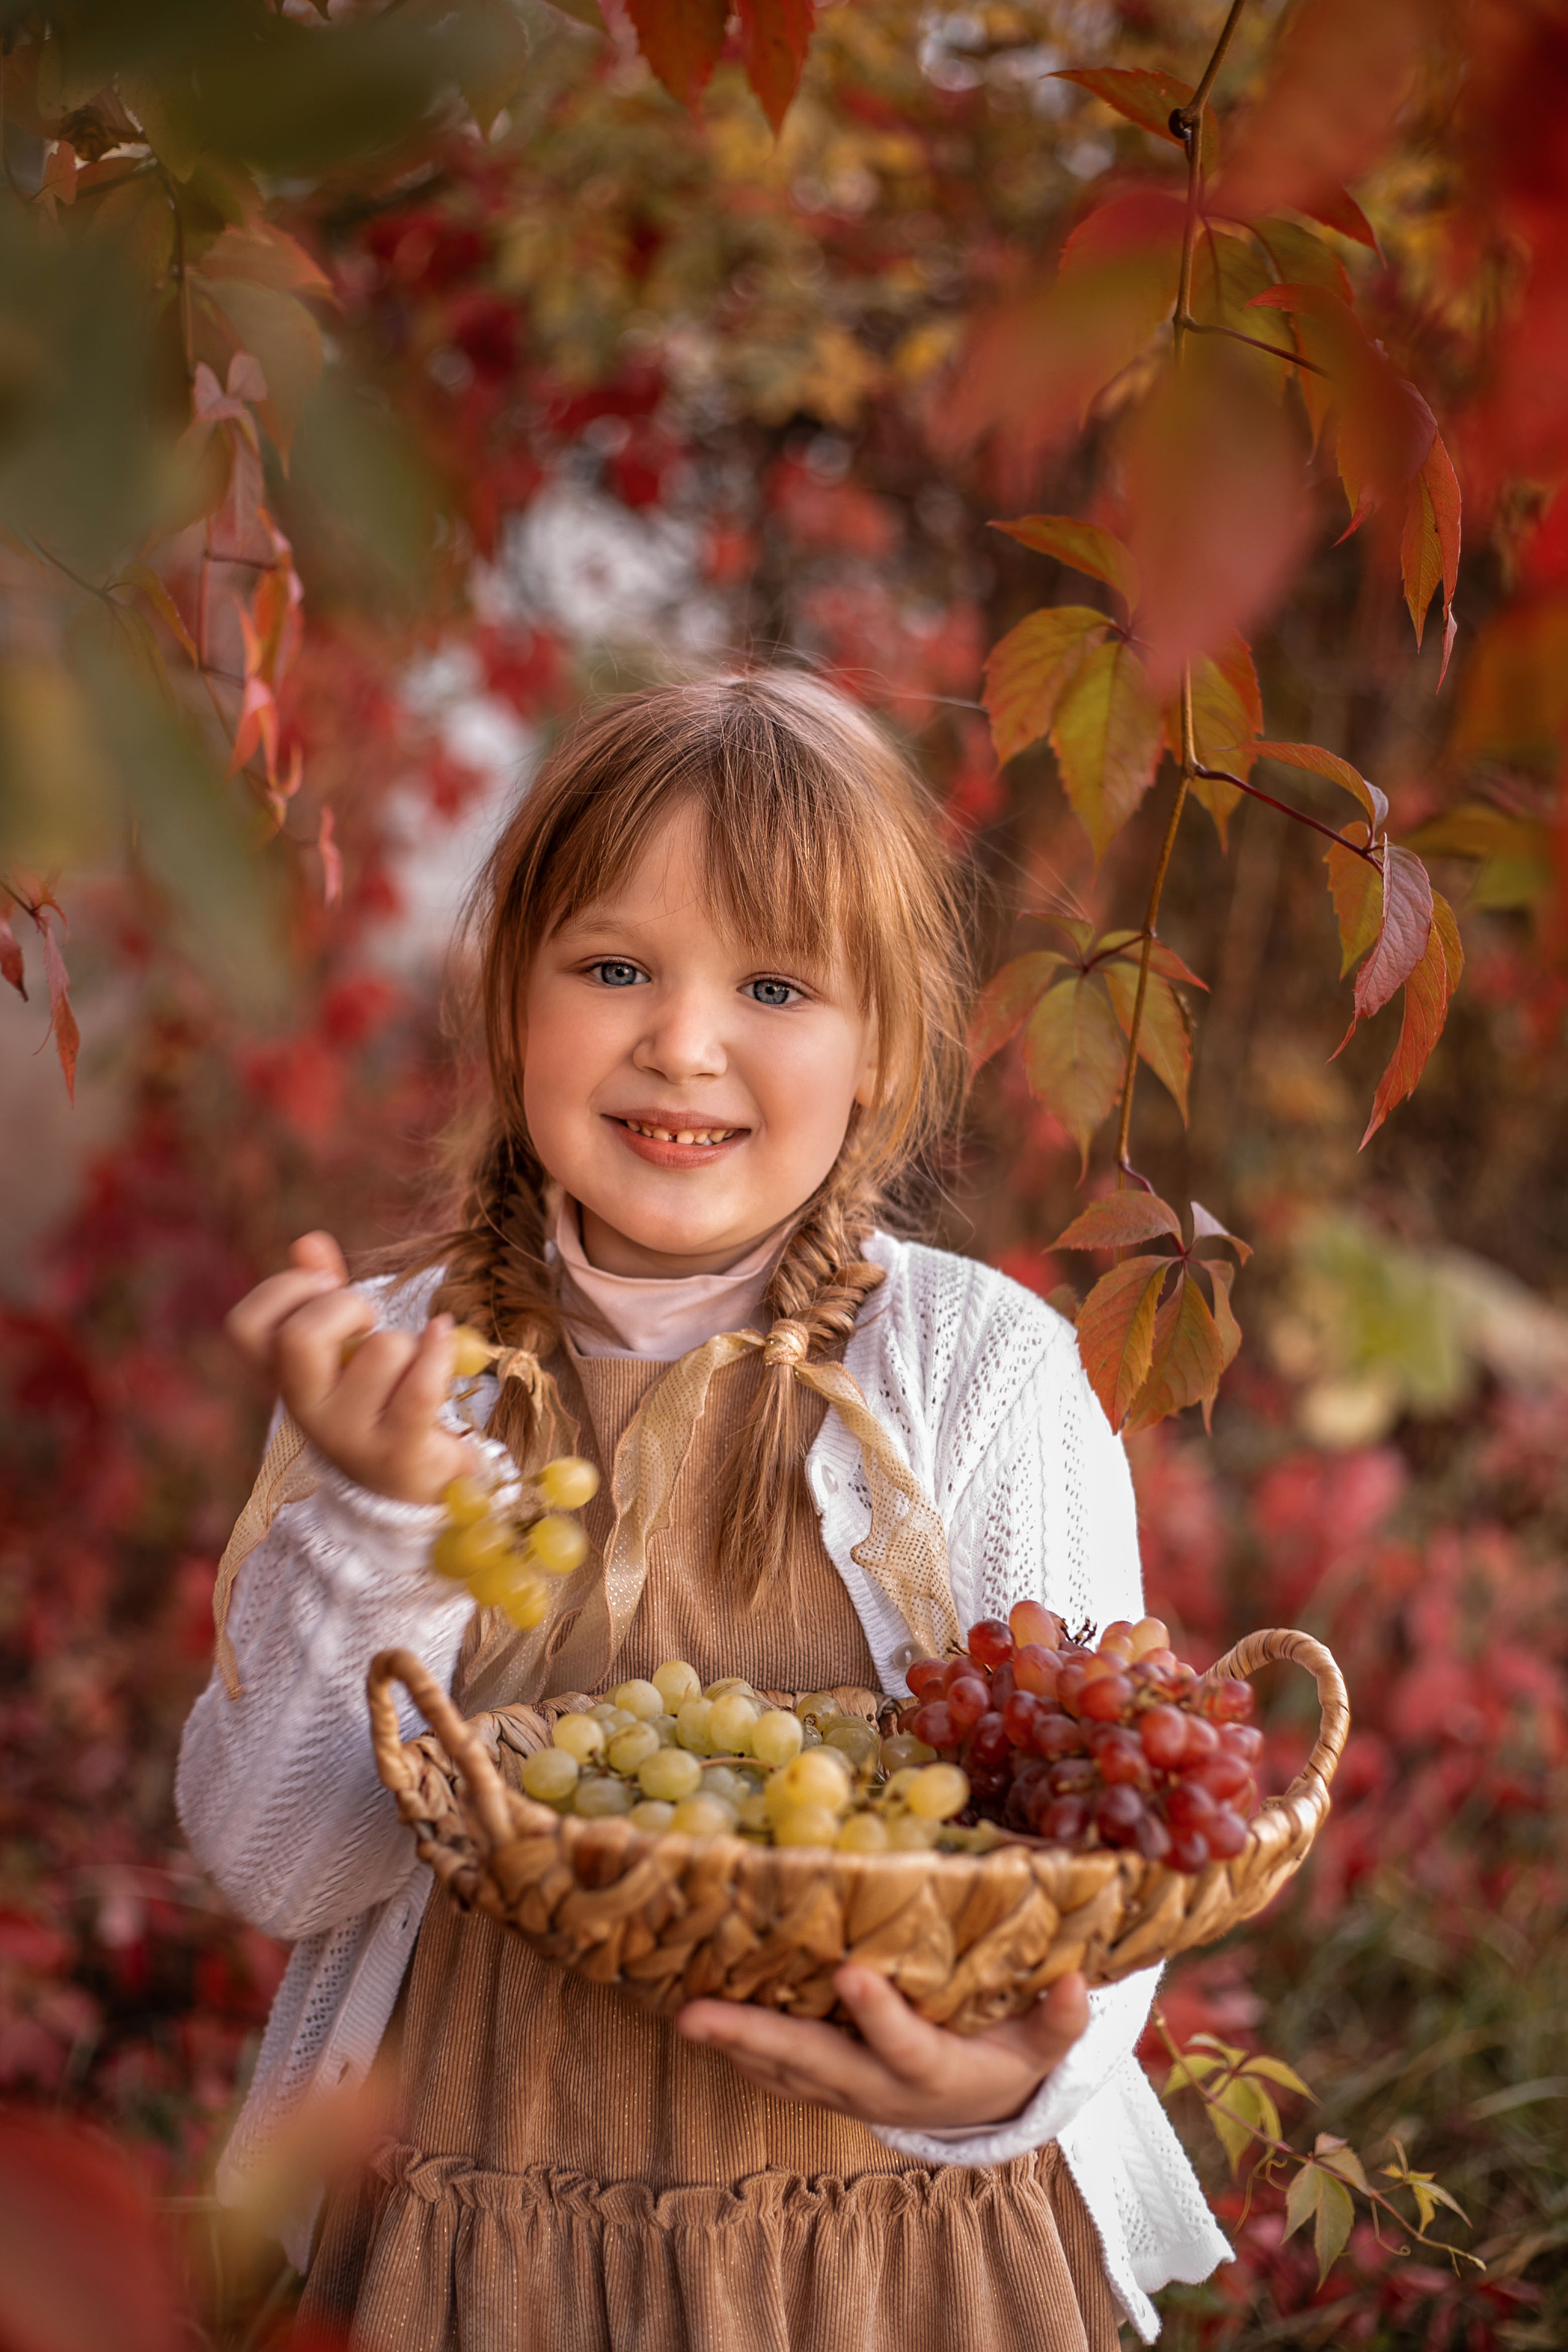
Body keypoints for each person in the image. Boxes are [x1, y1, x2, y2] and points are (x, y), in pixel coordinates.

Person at [177, 670, 1229, 2350]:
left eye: (773, 981)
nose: (681, 1039)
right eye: (612, 967)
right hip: (479, 2224)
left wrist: (1019, 2065)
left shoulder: (978, 1374)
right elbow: (280, 1865)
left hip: (892, 2243)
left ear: (882, 1044)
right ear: (513, 1000)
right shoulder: (398, 1368)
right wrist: (375, 1524)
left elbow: (1102, 1836)